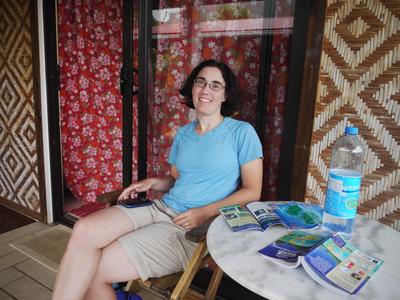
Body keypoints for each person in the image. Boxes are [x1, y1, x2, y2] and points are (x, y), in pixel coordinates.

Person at [52, 59, 263, 300]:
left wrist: (205, 212)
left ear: (225, 95)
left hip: (190, 227)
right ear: (192, 88)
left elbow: (252, 190)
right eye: (201, 82)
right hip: (160, 208)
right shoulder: (184, 134)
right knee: (83, 229)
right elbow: (176, 180)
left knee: (95, 271)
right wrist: (152, 182)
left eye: (216, 85)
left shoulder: (241, 132)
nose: (206, 90)